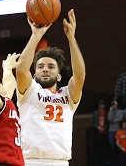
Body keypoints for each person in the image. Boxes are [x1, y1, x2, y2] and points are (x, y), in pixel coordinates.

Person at [15, 9, 85, 165]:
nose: (45, 69)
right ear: (34, 74)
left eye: (51, 66)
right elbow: (20, 70)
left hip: (60, 162)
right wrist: (36, 35)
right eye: (40, 66)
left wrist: (71, 38)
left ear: (59, 76)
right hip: (31, 161)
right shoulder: (29, 91)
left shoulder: (68, 95)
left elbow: (80, 77)